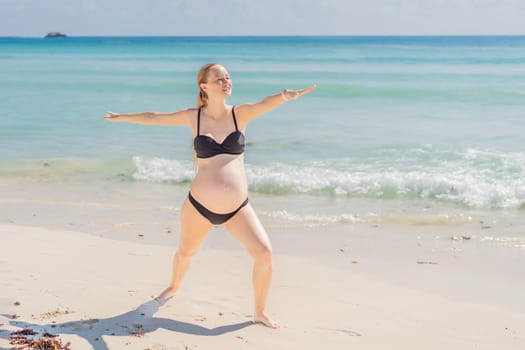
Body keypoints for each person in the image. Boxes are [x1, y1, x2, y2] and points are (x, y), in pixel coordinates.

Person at [104, 63, 316, 328]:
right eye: (219, 79)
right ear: (204, 86)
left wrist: (285, 95)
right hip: (199, 207)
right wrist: (123, 117)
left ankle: (259, 312)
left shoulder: (240, 114)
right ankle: (173, 287)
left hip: (237, 208)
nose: (226, 82)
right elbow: (154, 117)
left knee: (264, 253)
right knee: (185, 253)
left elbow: (265, 103)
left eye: (228, 78)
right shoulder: (194, 117)